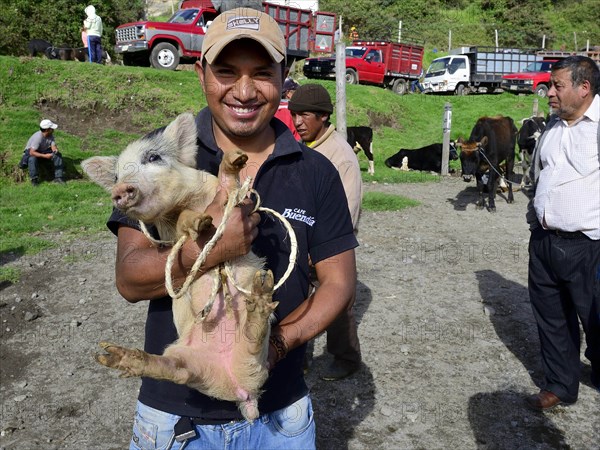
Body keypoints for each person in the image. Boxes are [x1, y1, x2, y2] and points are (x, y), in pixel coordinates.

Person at [106, 7, 358, 449]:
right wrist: (213, 249)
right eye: (226, 71)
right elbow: (130, 278)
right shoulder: (156, 156)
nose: (244, 91)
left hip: (282, 415)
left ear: (284, 73)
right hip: (176, 417)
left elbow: (339, 282)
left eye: (261, 72)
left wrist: (278, 344)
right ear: (201, 72)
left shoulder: (316, 171)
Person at [525, 55, 600, 411]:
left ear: (584, 88)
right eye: (550, 85)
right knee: (552, 318)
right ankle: (560, 384)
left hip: (590, 246)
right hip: (544, 243)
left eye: (558, 86)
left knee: (597, 319)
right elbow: (539, 177)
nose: (550, 92)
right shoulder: (551, 128)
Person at [288, 83, 363, 380]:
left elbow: (349, 208)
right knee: (297, 297)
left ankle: (346, 358)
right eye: (294, 115)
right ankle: (296, 355)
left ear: (323, 116)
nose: (297, 122)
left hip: (327, 244)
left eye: (304, 115)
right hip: (303, 241)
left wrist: (322, 249)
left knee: (338, 300)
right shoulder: (309, 148)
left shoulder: (340, 155)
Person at [21, 119, 65, 186]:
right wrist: (45, 156)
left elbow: (53, 145)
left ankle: (58, 177)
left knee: (58, 155)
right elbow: (31, 152)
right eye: (51, 128)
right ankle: (34, 180)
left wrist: (55, 150)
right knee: (32, 159)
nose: (53, 130)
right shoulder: (38, 138)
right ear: (47, 129)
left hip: (42, 151)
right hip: (32, 154)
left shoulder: (50, 135)